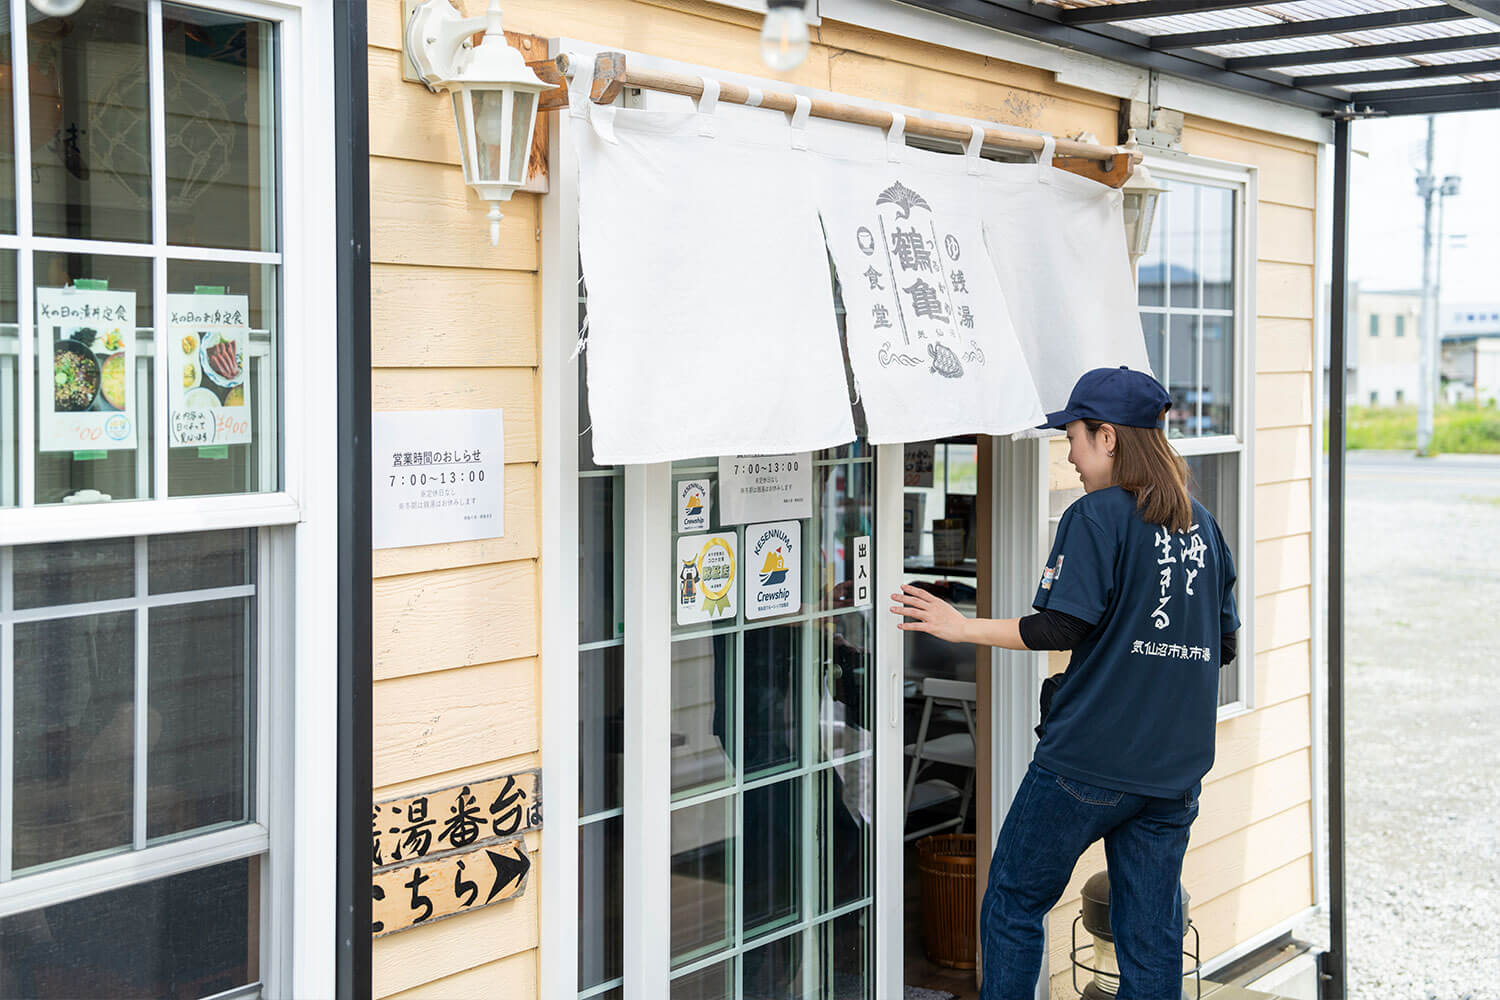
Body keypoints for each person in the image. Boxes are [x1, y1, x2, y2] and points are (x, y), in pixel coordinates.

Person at [891, 367, 1239, 1000]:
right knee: (1151, 935)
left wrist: (959, 627)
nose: (1071, 456)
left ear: (1108, 437)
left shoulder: (1096, 516)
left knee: (1013, 901)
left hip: (1089, 761)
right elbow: (1225, 644)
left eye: (1073, 438)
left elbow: (1060, 625)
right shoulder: (1203, 525)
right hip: (1174, 771)